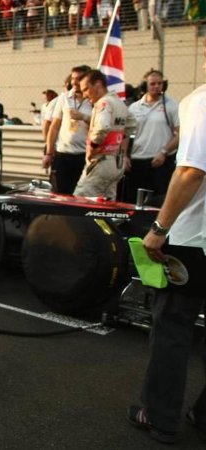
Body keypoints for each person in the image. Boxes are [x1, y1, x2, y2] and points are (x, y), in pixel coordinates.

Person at [128, 39, 206, 446]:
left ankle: (159, 417)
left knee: (172, 326)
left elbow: (191, 170)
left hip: (195, 239)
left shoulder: (200, 102)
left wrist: (159, 226)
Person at [73, 70, 133, 199]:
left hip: (101, 161)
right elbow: (132, 125)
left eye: (86, 89)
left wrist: (93, 147)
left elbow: (102, 127)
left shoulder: (103, 103)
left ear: (98, 85)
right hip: (117, 163)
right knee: (107, 202)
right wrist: (121, 148)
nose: (84, 95)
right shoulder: (119, 103)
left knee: (82, 199)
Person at [124, 69, 179, 204]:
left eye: (160, 83)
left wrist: (164, 152)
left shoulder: (172, 106)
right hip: (137, 160)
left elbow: (180, 133)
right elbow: (125, 134)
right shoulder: (134, 107)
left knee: (158, 200)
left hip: (160, 161)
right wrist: (124, 156)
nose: (156, 86)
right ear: (145, 86)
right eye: (152, 84)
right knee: (134, 201)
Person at [44, 65, 93, 195]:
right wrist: (48, 152)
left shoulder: (92, 100)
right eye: (73, 78)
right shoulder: (64, 98)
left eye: (79, 79)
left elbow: (99, 126)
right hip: (63, 153)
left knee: (79, 194)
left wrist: (83, 117)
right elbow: (54, 126)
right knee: (59, 192)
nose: (75, 82)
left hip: (83, 154)